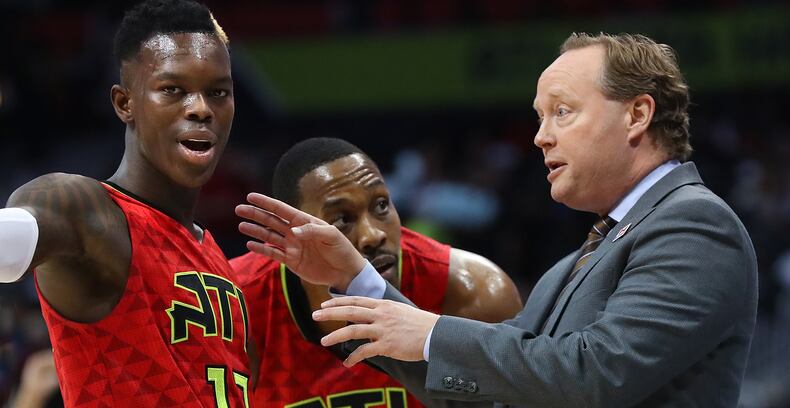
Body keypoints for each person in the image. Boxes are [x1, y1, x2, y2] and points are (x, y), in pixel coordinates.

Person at [236, 33, 758, 407]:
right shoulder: (572, 266)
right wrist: (356, 281)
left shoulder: (694, 226)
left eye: (562, 111)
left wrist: (434, 332)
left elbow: (598, 375)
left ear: (638, 115)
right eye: (538, 117)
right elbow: (488, 391)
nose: (541, 136)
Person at [0, 0, 252, 407]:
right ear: (124, 103)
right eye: (173, 90)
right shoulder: (88, 210)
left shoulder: (215, 257)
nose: (201, 109)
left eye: (218, 92)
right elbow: (13, 238)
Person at [231, 137, 522, 407]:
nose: (373, 236)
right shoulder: (236, 304)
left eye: (381, 205)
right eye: (342, 219)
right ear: (289, 233)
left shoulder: (470, 293)